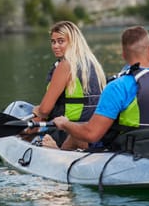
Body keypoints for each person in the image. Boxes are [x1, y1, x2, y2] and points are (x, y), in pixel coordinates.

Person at [52, 25, 149, 153]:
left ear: (123, 55)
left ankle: (57, 157)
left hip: (125, 155)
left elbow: (91, 134)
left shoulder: (117, 87)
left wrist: (66, 124)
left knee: (76, 135)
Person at [30, 21, 107, 150]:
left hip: (69, 131)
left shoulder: (65, 66)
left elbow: (44, 110)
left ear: (73, 42)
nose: (55, 46)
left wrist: (37, 110)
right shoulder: (93, 64)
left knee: (29, 128)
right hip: (94, 130)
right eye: (53, 42)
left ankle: (56, 149)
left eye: (61, 41)